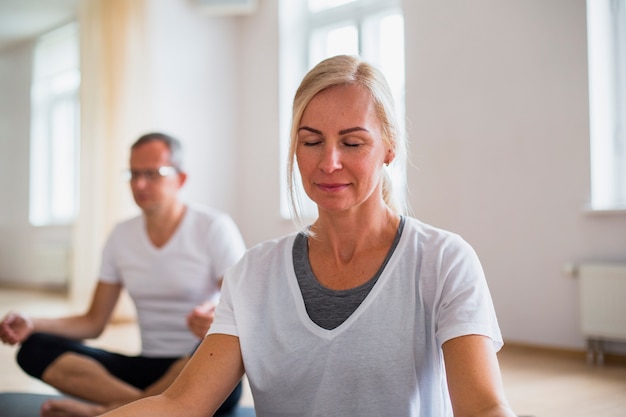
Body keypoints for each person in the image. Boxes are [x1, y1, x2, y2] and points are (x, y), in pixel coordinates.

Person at [97, 55, 517, 417]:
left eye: (352, 143)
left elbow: (482, 407)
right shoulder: (254, 274)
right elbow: (182, 406)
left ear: (390, 148)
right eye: (311, 141)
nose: (329, 162)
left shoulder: (442, 260)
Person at [0, 133, 247, 417]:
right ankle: (138, 409)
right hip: (146, 370)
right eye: (134, 174)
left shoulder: (213, 227)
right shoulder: (121, 235)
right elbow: (93, 323)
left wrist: (215, 315)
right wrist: (32, 323)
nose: (140, 184)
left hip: (197, 365)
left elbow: (243, 312)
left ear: (180, 179)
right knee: (35, 348)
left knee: (218, 357)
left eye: (153, 174)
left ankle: (108, 411)